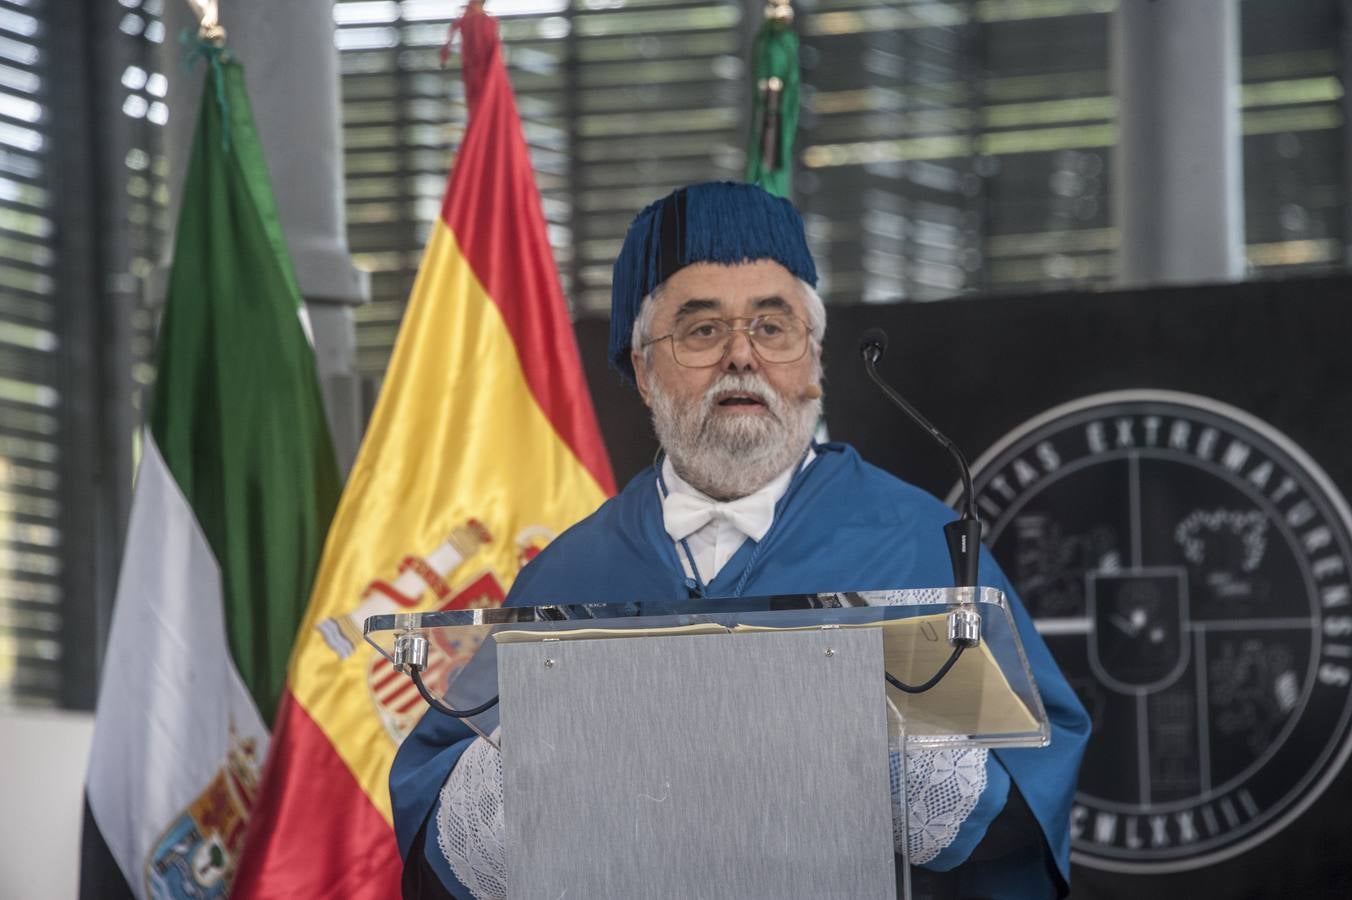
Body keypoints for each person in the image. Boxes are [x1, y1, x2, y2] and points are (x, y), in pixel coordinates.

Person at [390, 182, 1091, 899]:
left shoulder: (915, 542)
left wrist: (873, 751)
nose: (741, 356)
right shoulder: (570, 571)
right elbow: (445, 833)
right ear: (643, 370)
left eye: (772, 326)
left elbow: (1024, 797)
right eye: (701, 330)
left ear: (813, 363)